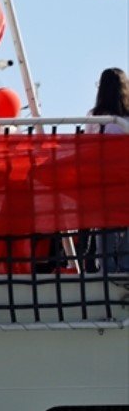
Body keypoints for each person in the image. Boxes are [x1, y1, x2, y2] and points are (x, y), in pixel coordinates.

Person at [88, 67, 129, 273]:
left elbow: (86, 149)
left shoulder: (95, 118)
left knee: (105, 226)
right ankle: (125, 264)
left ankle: (106, 268)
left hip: (103, 181)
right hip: (125, 180)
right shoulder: (126, 121)